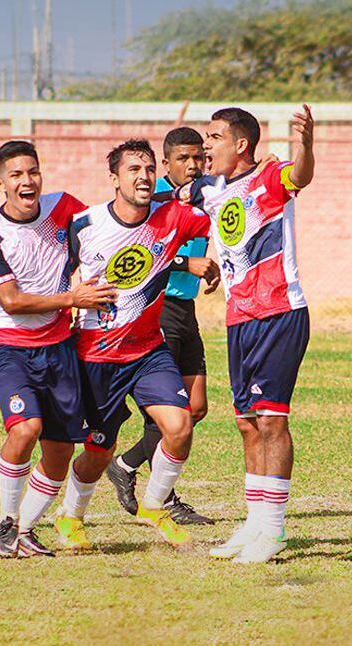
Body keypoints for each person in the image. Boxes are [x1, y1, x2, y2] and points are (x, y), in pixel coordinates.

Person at [55, 138, 215, 550]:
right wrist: (70, 299)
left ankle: (155, 505)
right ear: (114, 179)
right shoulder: (84, 225)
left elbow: (219, 211)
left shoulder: (174, 216)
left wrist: (207, 263)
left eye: (147, 169)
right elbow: (56, 274)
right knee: (98, 451)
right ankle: (70, 516)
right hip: (97, 352)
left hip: (148, 349)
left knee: (180, 425)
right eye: (133, 170)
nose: (143, 177)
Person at [178, 105, 315, 563]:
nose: (206, 146)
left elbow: (302, 174)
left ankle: (272, 532)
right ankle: (254, 525)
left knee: (272, 419)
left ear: (240, 144)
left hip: (279, 312)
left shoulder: (271, 176)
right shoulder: (209, 188)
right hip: (239, 317)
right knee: (246, 421)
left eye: (214, 137)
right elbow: (167, 207)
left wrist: (306, 144)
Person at [0, 140, 115, 558]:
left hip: (60, 349)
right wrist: (74, 298)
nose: (26, 180)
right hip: (12, 351)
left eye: (32, 172)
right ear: (0, 183)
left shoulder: (64, 207)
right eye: (16, 175)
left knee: (60, 451)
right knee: (25, 428)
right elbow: (12, 301)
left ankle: (27, 529)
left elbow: (106, 229)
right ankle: (6, 523)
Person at [107, 126, 218, 525]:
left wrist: (210, 269)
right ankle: (165, 499)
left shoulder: (204, 196)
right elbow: (137, 253)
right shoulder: (153, 202)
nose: (193, 165)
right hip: (159, 308)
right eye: (184, 159)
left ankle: (126, 463)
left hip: (185, 309)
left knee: (197, 407)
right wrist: (185, 264)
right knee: (167, 411)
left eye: (199, 158)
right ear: (166, 162)